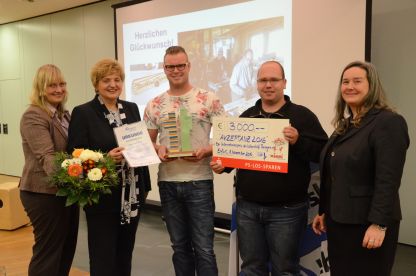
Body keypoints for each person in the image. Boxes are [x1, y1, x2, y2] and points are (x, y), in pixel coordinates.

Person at [211, 60, 328, 275]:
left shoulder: (303, 116)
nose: (268, 85)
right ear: (256, 84)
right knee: (251, 268)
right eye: (263, 80)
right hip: (248, 209)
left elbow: (323, 154)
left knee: (285, 269)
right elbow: (237, 153)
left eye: (274, 80)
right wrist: (223, 166)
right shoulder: (247, 115)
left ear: (284, 82)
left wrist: (298, 141)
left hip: (287, 211)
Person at [312, 61, 409, 276]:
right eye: (345, 82)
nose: (349, 86)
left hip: (367, 225)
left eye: (357, 81)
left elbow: (388, 180)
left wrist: (379, 224)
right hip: (340, 223)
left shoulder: (388, 122)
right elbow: (336, 173)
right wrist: (325, 211)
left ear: (372, 85)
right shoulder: (345, 125)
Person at [144, 46, 224, 276]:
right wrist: (158, 148)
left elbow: (227, 139)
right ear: (164, 68)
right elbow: (147, 143)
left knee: (204, 249)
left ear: (189, 66)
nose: (176, 70)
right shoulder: (154, 104)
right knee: (179, 248)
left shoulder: (209, 99)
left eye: (180, 65)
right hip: (168, 183)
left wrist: (206, 150)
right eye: (170, 66)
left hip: (199, 182)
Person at [67, 58, 151, 276]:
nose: (113, 84)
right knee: (103, 257)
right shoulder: (83, 112)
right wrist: (105, 159)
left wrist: (146, 183)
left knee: (125, 255)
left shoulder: (131, 109)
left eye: (117, 79)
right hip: (102, 197)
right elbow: (74, 155)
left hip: (132, 194)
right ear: (96, 84)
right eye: (106, 80)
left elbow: (139, 144)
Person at [19, 64, 79, 276]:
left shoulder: (64, 115)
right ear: (40, 88)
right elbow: (48, 157)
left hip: (65, 192)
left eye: (61, 84)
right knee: (48, 252)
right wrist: (77, 177)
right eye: (51, 85)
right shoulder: (34, 116)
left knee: (66, 248)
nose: (58, 89)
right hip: (42, 194)